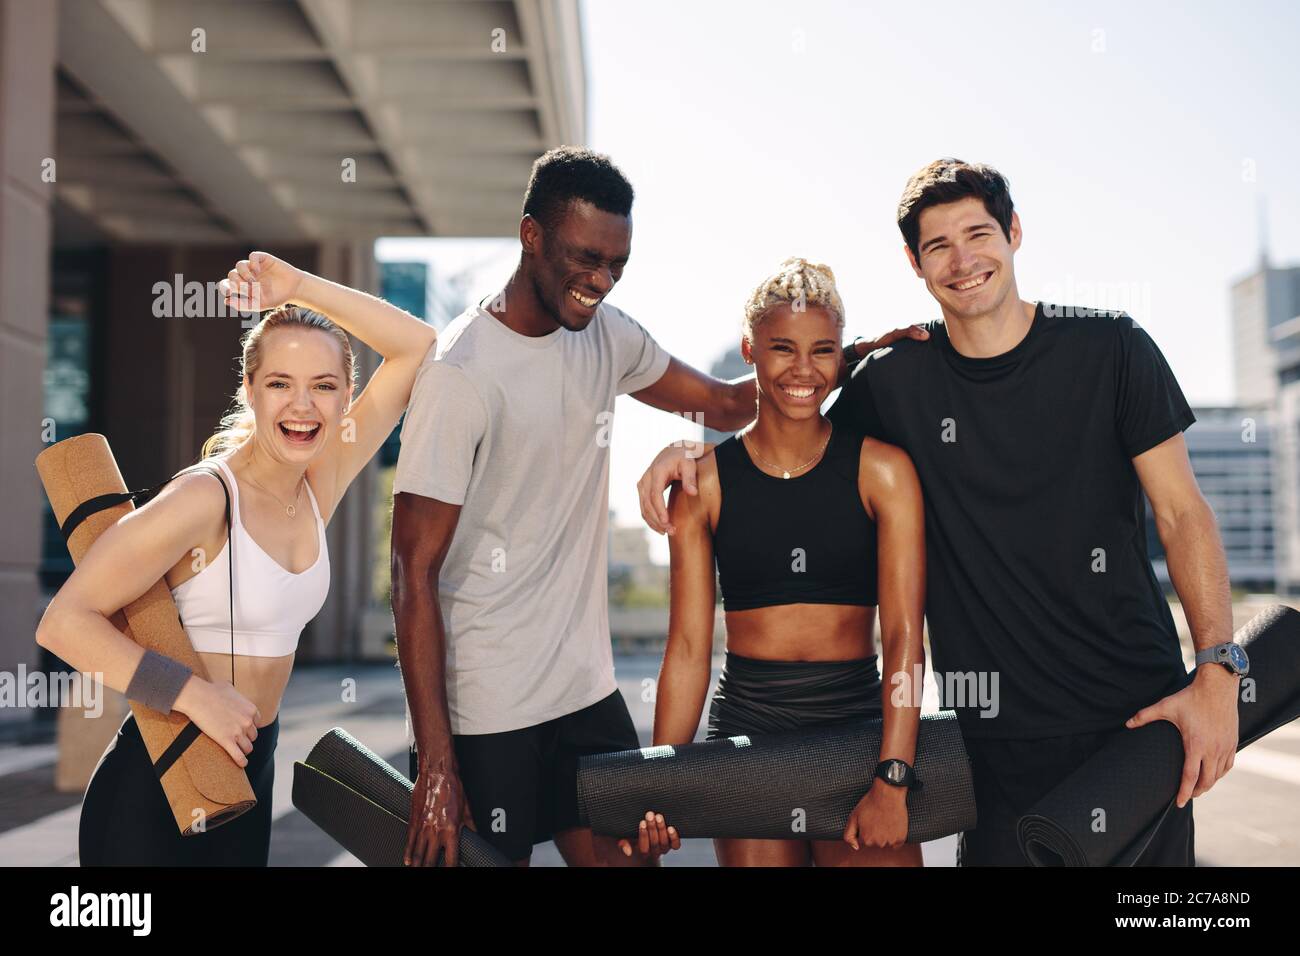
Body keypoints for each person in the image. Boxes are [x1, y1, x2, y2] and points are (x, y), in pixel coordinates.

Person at [636, 159, 1243, 866]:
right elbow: (795, 403)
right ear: (914, 264)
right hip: (989, 741)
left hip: (1134, 717)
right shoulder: (895, 381)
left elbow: (1182, 514)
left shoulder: (1111, 346)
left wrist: (1217, 672)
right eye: (937, 246)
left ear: (1014, 232)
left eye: (978, 234)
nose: (963, 261)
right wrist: (686, 447)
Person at [391, 146, 927, 867]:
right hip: (487, 702)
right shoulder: (461, 377)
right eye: (586, 258)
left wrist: (850, 353)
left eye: (618, 264)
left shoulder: (605, 334)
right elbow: (410, 573)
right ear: (531, 236)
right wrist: (435, 764)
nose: (601, 281)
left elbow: (734, 400)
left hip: (583, 692)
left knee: (633, 856)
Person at [37, 252, 437, 865]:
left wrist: (298, 286)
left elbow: (417, 346)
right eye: (280, 383)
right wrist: (193, 695)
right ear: (250, 389)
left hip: (250, 772)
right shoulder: (205, 497)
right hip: (161, 779)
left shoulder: (316, 482)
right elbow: (65, 622)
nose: (302, 407)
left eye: (323, 386)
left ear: (345, 395)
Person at [619, 258, 926, 866]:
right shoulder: (702, 487)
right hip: (748, 737)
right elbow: (685, 649)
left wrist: (894, 775)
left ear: (842, 358)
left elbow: (904, 636)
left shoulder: (883, 472)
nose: (804, 370)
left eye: (823, 351)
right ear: (749, 350)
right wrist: (658, 785)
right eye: (783, 348)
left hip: (858, 732)